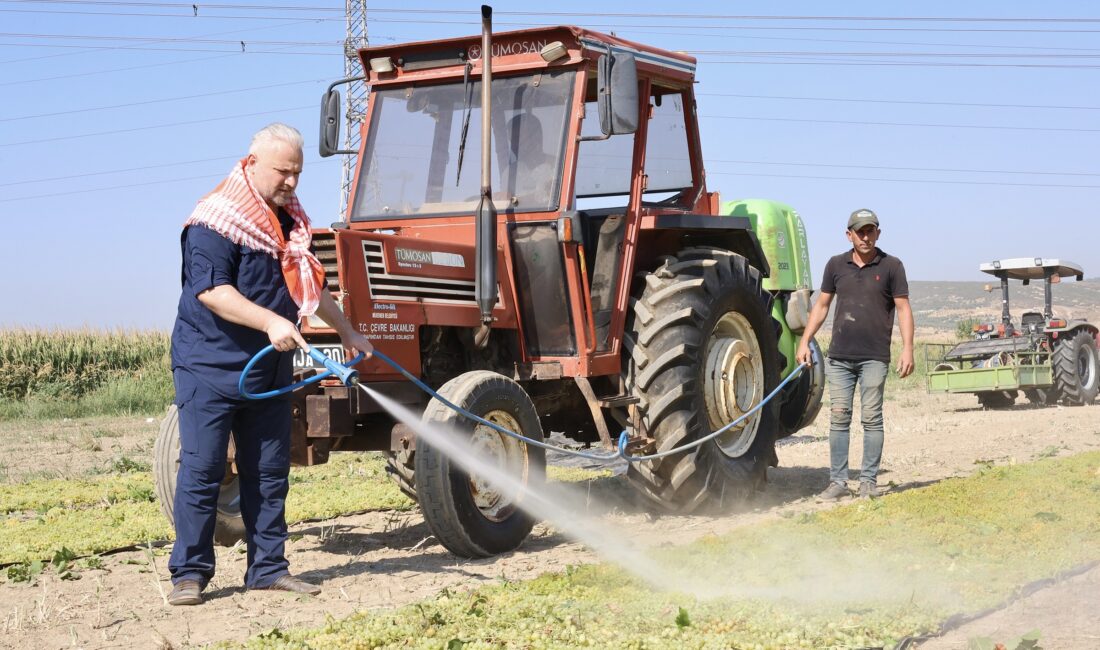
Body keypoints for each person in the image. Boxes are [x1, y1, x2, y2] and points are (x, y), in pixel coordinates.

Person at [167, 123, 373, 606]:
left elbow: (308, 287)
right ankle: (190, 574)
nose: (292, 183)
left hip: (268, 370)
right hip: (210, 366)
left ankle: (267, 569)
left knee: (269, 470)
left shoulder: (285, 222)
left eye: (298, 173)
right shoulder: (214, 221)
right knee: (203, 469)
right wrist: (270, 324)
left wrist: (347, 330)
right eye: (284, 171)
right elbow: (213, 292)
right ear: (253, 162)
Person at [796, 208, 914, 501]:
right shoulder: (836, 265)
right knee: (839, 418)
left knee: (872, 419)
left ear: (878, 233)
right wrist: (804, 341)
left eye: (870, 231)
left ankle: (868, 482)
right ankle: (838, 482)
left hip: (874, 357)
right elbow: (821, 306)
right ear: (849, 234)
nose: (865, 237)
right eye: (859, 231)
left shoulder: (892, 266)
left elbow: (903, 309)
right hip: (839, 358)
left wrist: (908, 348)